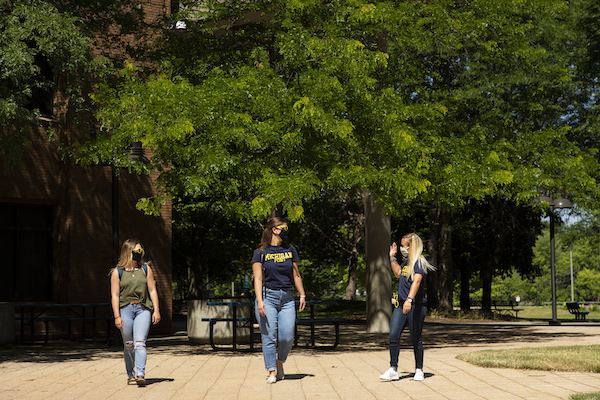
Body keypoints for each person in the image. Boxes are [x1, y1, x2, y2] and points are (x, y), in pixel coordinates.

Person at [252, 217, 306, 384]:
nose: (287, 230)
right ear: (274, 229)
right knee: (269, 336)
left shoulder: (290, 249)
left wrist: (302, 294)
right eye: (284, 228)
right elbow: (258, 279)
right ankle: (272, 371)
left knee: (288, 336)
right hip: (268, 297)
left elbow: (295, 274)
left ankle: (280, 362)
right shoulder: (260, 252)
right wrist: (260, 300)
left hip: (288, 298)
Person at [379, 232, 435, 382]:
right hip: (401, 305)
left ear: (411, 247)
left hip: (415, 306)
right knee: (393, 336)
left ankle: (419, 369)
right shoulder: (406, 263)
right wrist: (392, 257)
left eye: (403, 246)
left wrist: (409, 300)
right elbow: (398, 273)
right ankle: (393, 369)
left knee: (415, 338)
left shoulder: (419, 263)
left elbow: (416, 282)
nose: (402, 248)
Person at [110, 239, 161, 387]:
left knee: (140, 343)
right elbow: (115, 295)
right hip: (125, 309)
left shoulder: (145, 269)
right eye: (136, 251)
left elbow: (152, 290)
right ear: (128, 252)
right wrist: (117, 316)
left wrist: (156, 310)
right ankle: (130, 374)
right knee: (129, 344)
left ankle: (140, 374)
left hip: (143, 309)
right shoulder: (117, 272)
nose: (140, 254)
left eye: (141, 251)